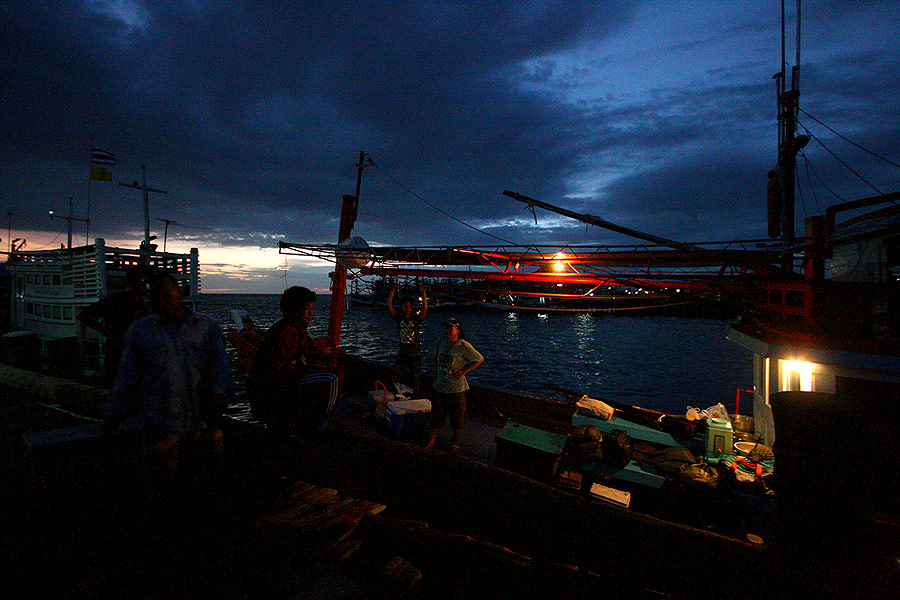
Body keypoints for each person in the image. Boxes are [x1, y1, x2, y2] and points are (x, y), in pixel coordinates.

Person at [105, 271, 231, 501]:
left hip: (205, 422)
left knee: (210, 487)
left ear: (180, 294)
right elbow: (127, 376)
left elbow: (221, 366)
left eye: (167, 296)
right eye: (155, 299)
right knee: (165, 491)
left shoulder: (208, 326)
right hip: (161, 424)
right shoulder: (140, 332)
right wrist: (114, 414)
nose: (162, 303)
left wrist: (219, 394)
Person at [247, 286, 340, 438]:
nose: (311, 314)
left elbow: (309, 349)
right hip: (272, 390)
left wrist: (316, 358)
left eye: (311, 308)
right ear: (295, 309)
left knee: (324, 372)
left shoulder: (293, 328)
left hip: (275, 386)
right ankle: (322, 424)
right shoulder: (287, 332)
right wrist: (309, 366)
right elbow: (278, 370)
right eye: (307, 309)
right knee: (333, 377)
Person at [77, 265, 152, 384]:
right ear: (134, 283)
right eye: (144, 282)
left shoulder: (141, 303)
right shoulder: (117, 300)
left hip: (132, 354)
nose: (147, 286)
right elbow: (83, 315)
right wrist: (109, 334)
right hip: (118, 354)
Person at [425, 317, 483, 452]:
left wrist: (463, 371)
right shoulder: (441, 342)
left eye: (451, 328)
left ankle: (455, 440)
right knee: (436, 415)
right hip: (440, 387)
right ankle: (432, 440)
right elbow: (435, 359)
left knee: (456, 417)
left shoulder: (463, 346)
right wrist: (437, 375)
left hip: (456, 389)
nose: (448, 330)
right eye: (446, 327)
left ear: (458, 330)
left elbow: (479, 359)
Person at [387, 283, 428, 395]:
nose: (407, 308)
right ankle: (398, 393)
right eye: (405, 306)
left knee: (416, 378)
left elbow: (424, 309)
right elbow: (389, 305)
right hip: (403, 353)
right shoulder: (399, 318)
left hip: (415, 353)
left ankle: (415, 396)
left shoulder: (415, 319)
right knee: (396, 375)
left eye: (409, 306)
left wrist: (423, 294)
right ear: (402, 307)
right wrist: (393, 291)